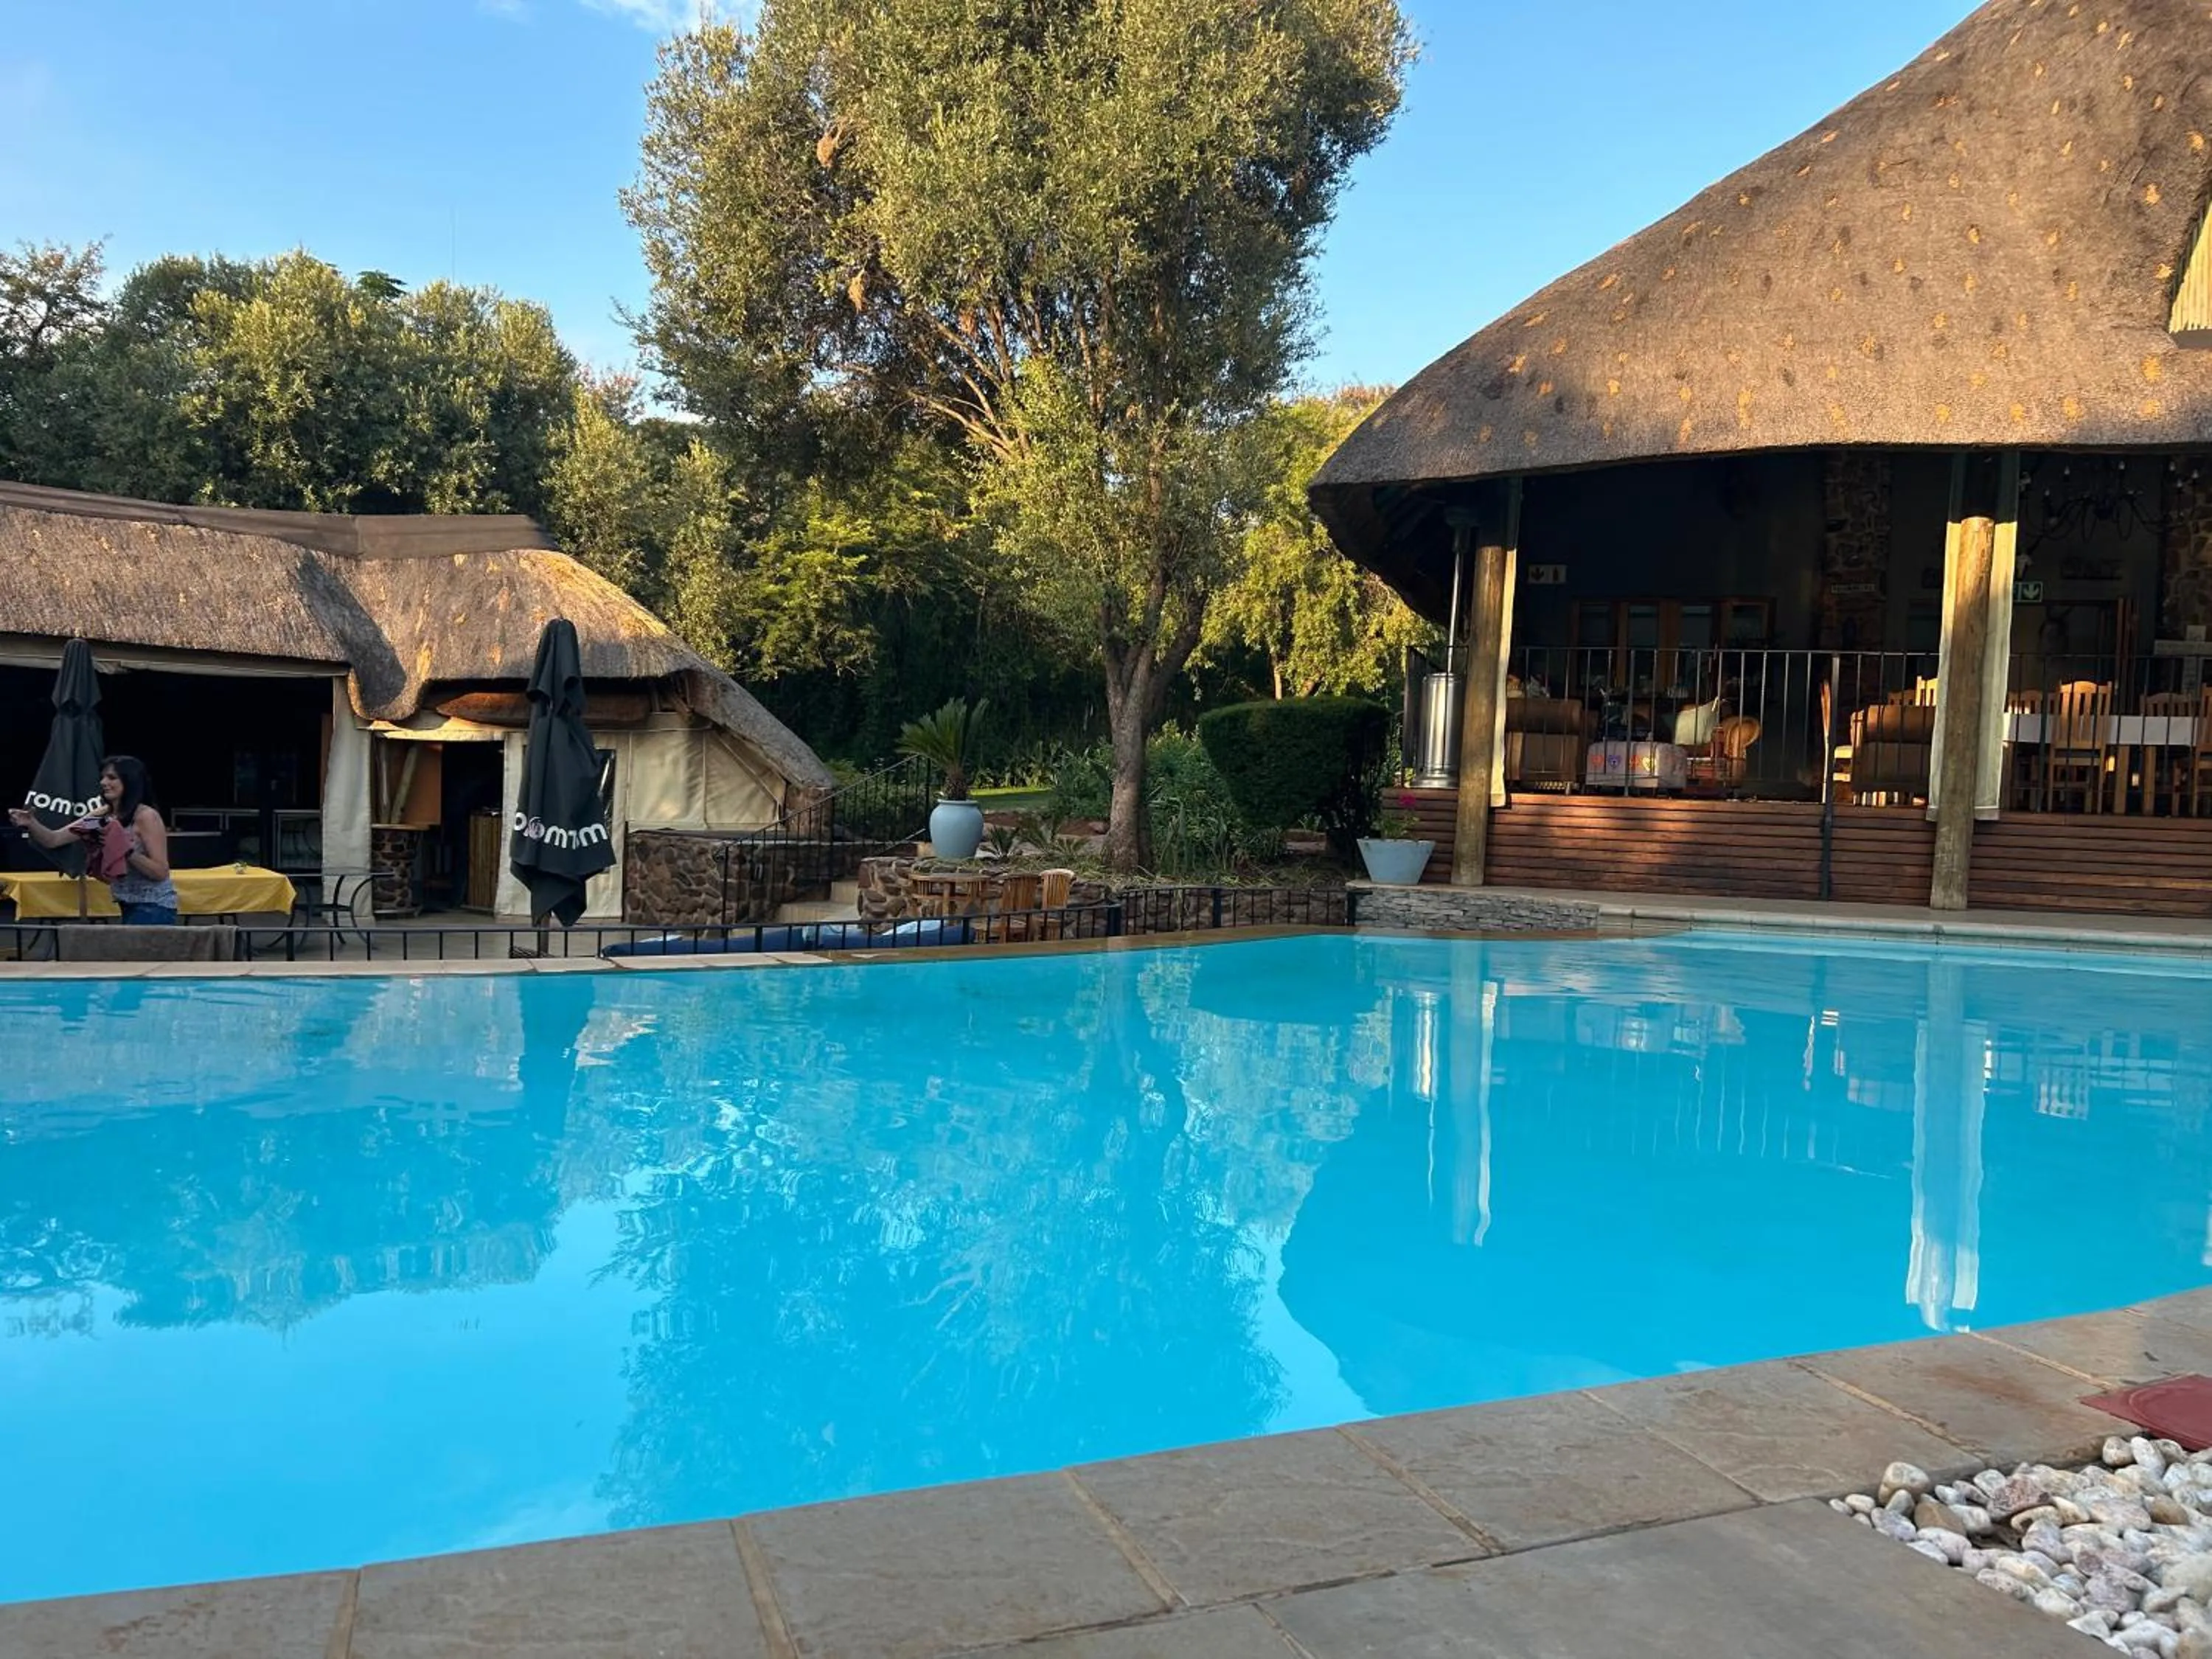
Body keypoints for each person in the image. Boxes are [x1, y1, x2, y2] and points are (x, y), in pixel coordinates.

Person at [7, 755, 179, 925]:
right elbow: (54, 839)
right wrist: (31, 823)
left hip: (155, 907)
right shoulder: (102, 816)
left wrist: (126, 851)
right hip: (127, 904)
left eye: (112, 778)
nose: (103, 782)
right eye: (103, 777)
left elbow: (160, 872)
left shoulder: (146, 817)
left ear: (130, 781)